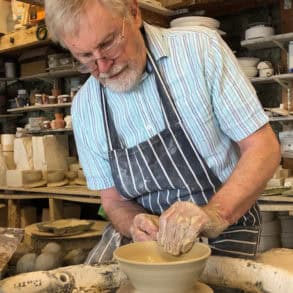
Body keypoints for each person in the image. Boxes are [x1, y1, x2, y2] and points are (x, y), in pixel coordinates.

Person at [45, 0, 280, 263]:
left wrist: (214, 213)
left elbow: (263, 147)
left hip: (224, 230)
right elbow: (112, 201)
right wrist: (134, 224)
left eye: (108, 43)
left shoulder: (199, 49)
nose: (103, 67)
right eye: (86, 57)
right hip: (148, 247)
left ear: (133, 13)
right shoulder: (85, 107)